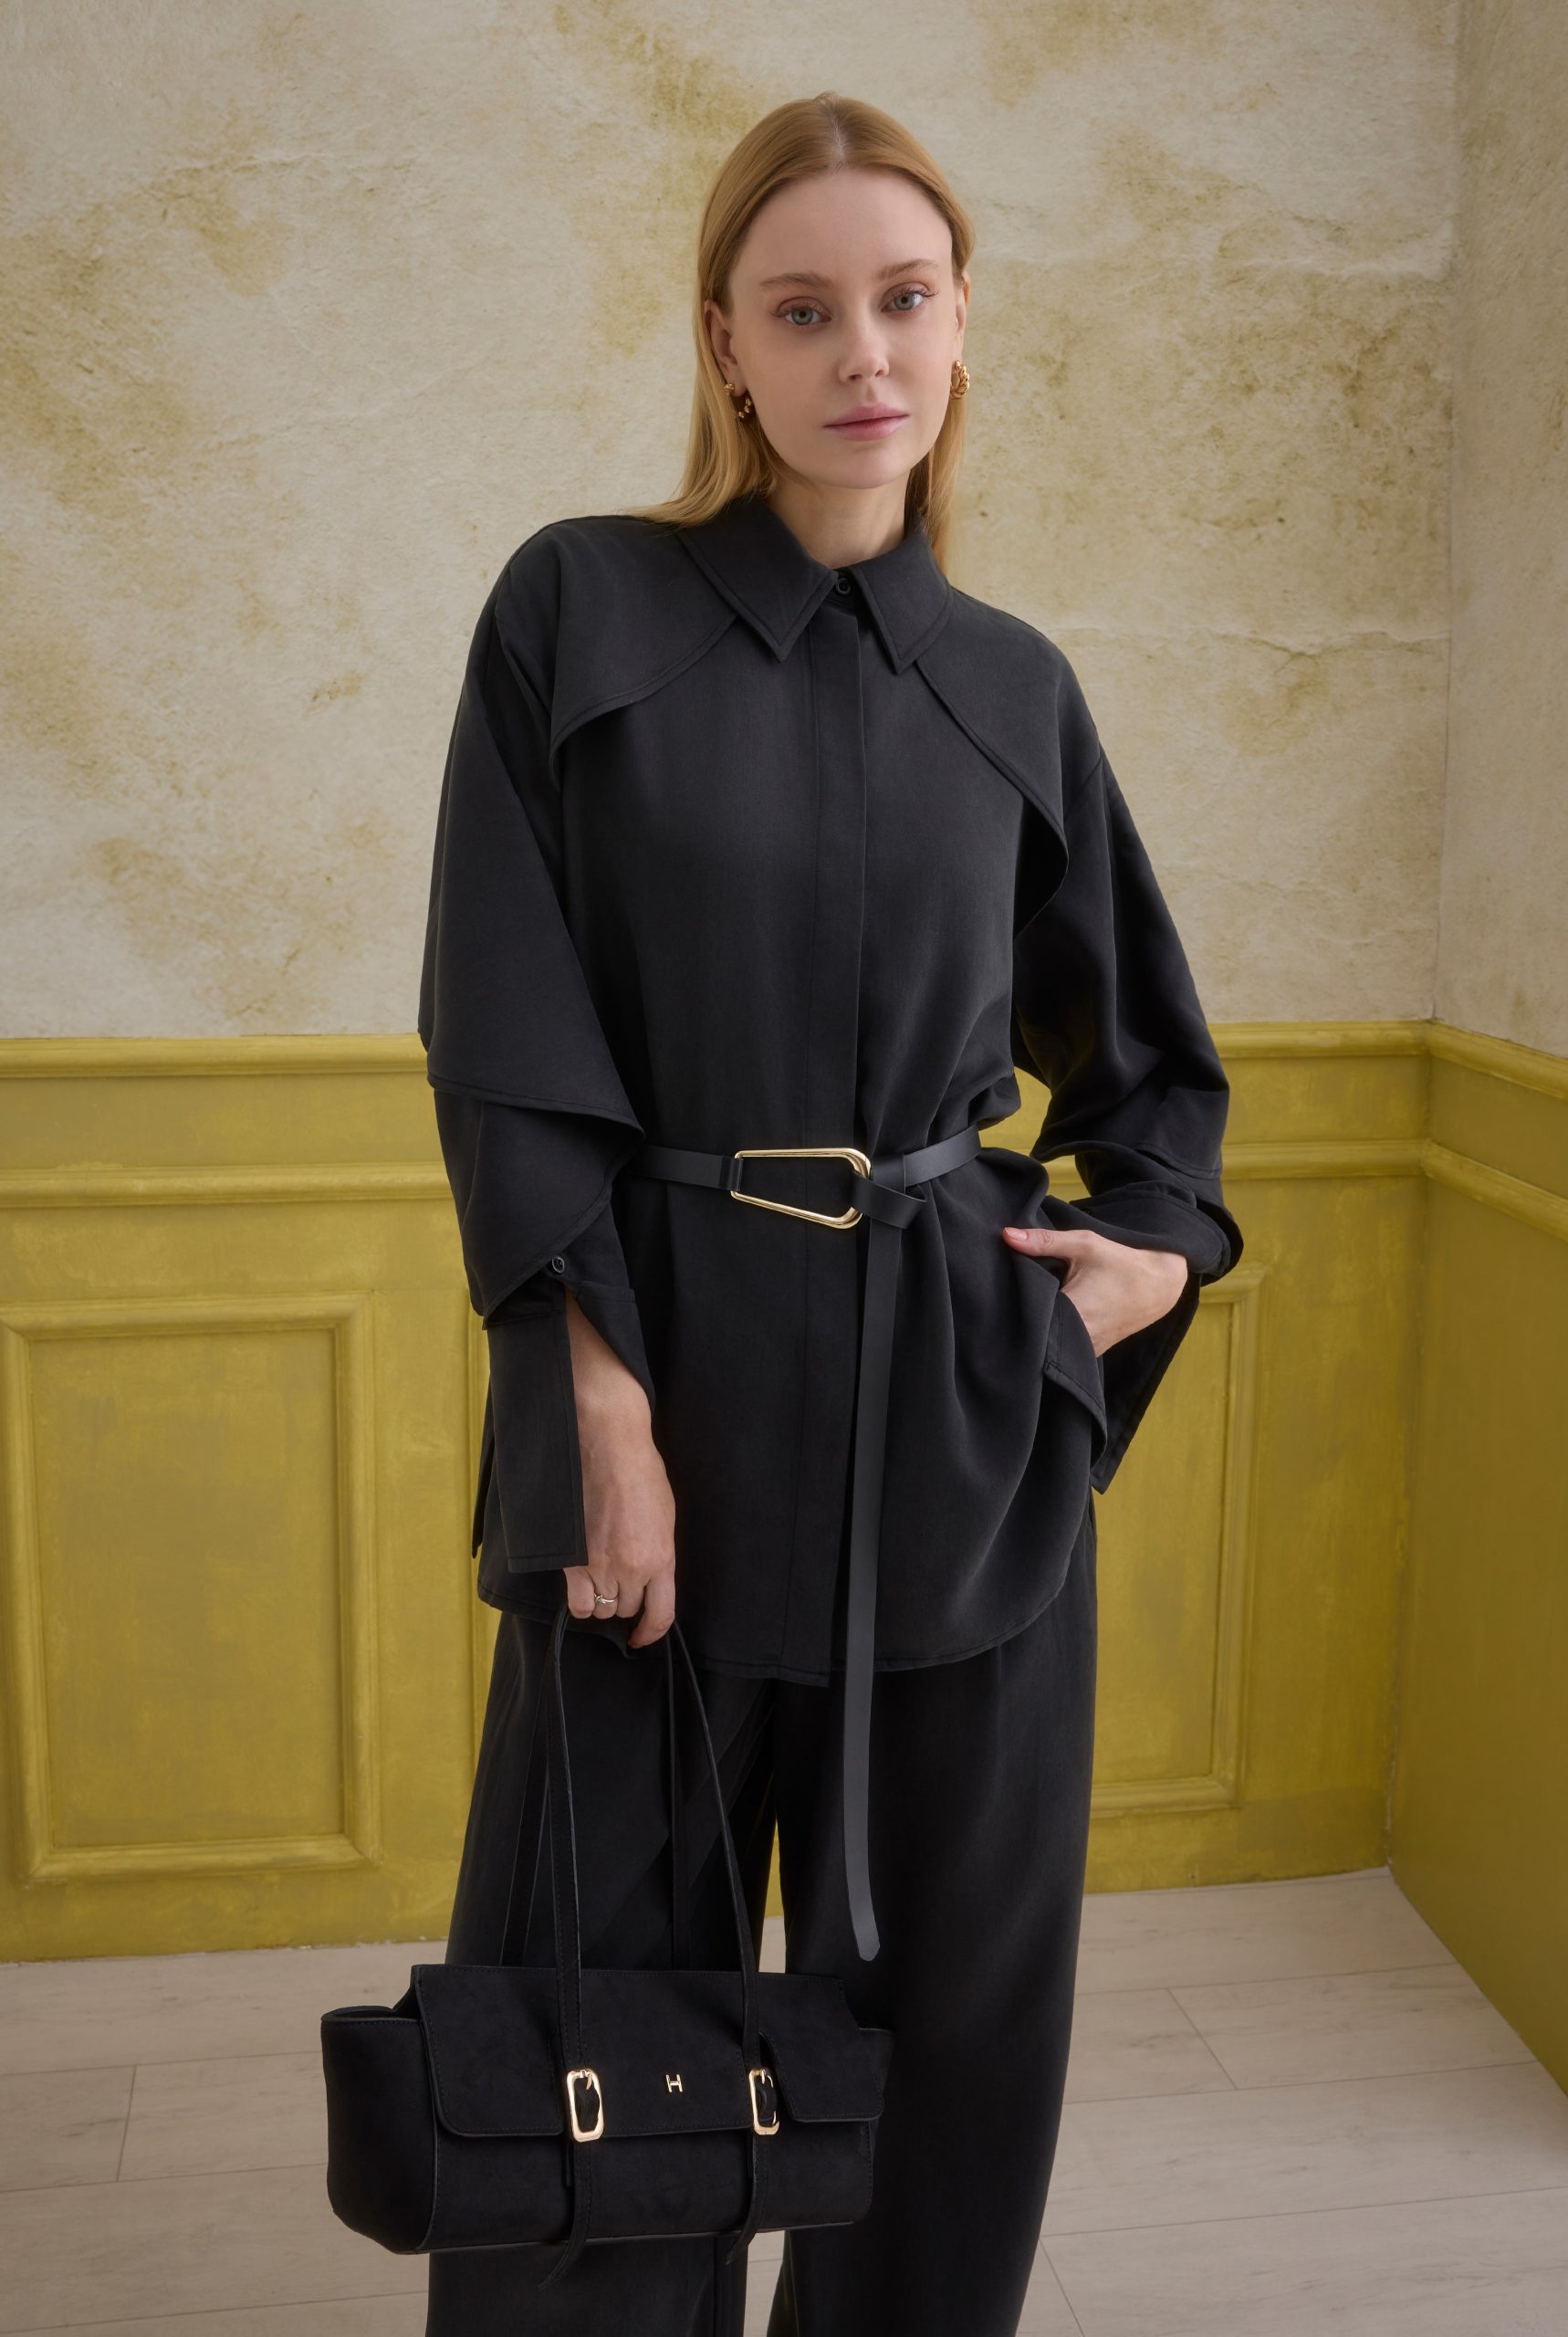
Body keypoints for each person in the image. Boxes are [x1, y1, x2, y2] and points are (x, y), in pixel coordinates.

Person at [417, 89, 1242, 2337]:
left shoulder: (1015, 688)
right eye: (800, 309)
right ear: (723, 342)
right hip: (660, 1419)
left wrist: (1135, 1264)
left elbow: (1156, 1080)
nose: (859, 350)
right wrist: (593, 1411)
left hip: (954, 1436)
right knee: (603, 2036)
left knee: (951, 2048)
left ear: (961, 326)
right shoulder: (576, 608)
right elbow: (505, 1034)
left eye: (902, 298)